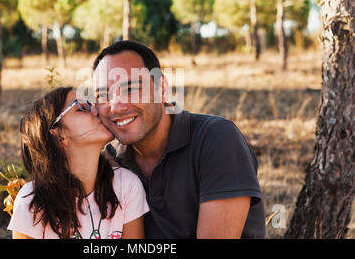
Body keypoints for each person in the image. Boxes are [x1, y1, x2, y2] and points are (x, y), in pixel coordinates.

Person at [92, 40, 266, 239]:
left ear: (162, 88)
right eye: (103, 95)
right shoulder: (112, 161)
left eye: (131, 89)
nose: (116, 106)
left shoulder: (216, 138)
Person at [7, 86, 149, 239]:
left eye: (92, 104)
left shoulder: (126, 186)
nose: (97, 110)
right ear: (58, 135)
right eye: (82, 107)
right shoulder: (32, 203)